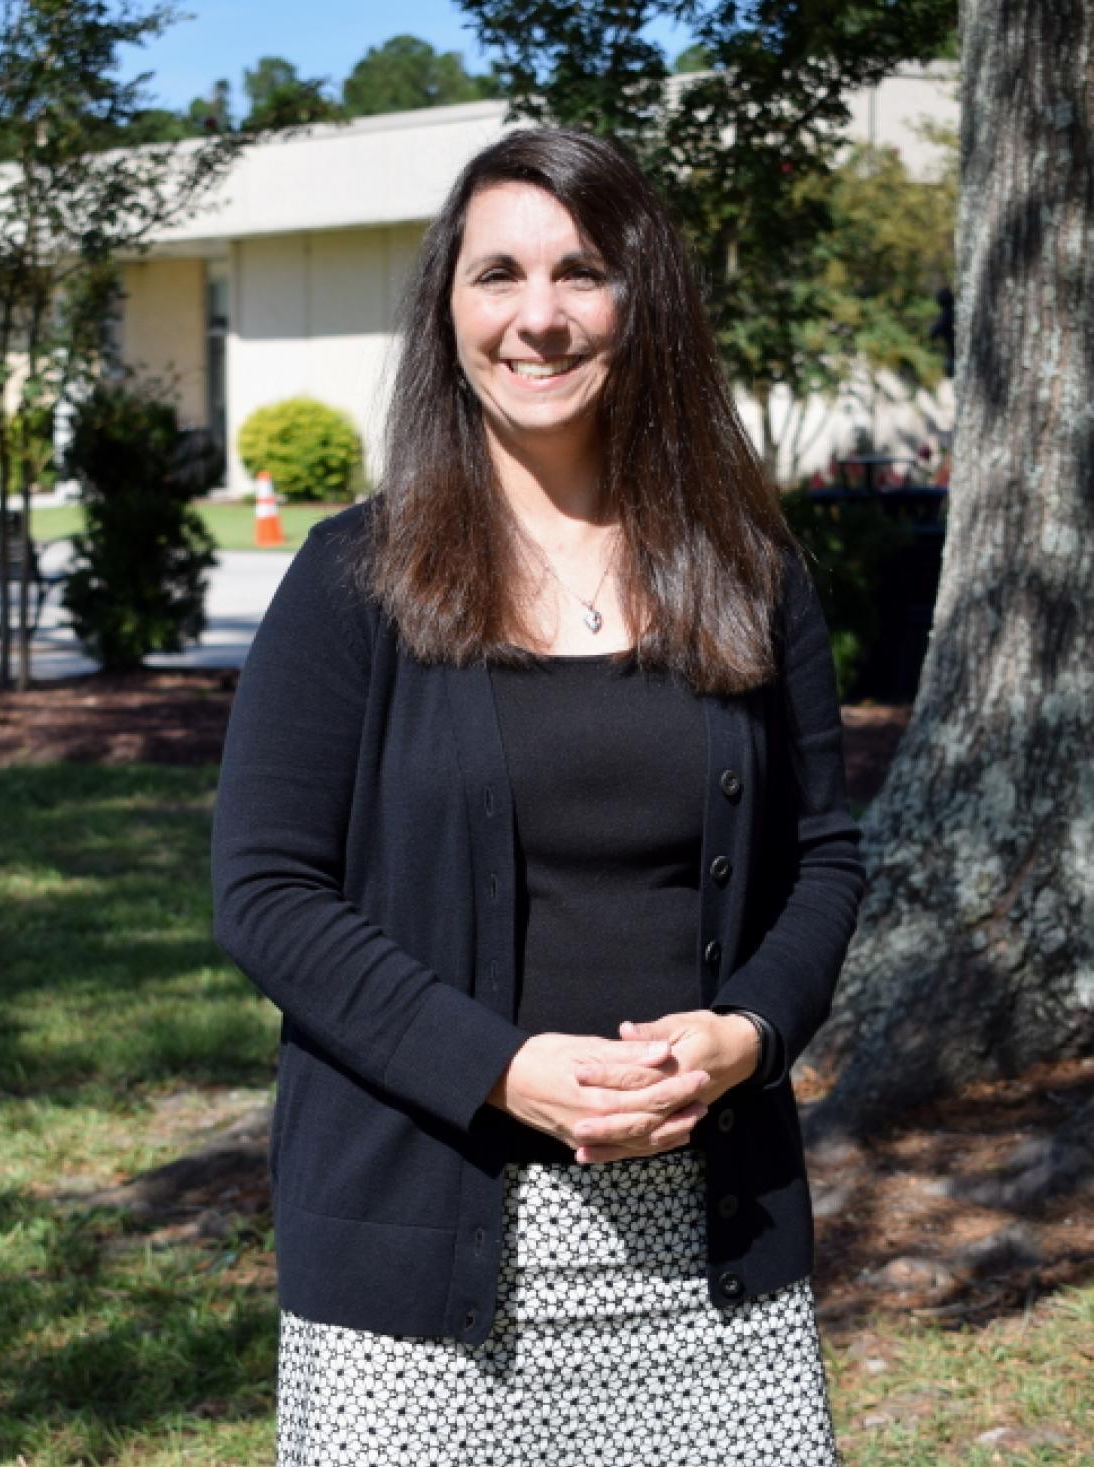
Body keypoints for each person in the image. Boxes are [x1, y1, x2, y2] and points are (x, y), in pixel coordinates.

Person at [212, 126, 866, 1467]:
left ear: (645, 299)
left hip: (710, 1255)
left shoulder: (747, 568)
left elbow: (824, 860)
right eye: (497, 274)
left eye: (583, 273)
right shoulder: (353, 583)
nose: (541, 317)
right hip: (422, 1267)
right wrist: (505, 1070)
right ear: (448, 310)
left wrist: (746, 1036)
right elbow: (266, 894)